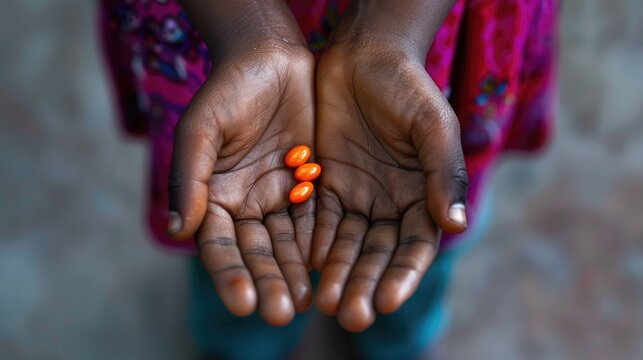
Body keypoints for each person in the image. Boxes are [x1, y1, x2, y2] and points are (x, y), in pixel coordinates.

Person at [100, 0, 557, 358]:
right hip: (215, 23)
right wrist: (246, 27)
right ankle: (243, 345)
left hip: (429, 20)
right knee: (220, 203)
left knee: (422, 202)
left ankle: (398, 340)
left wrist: (394, 29)